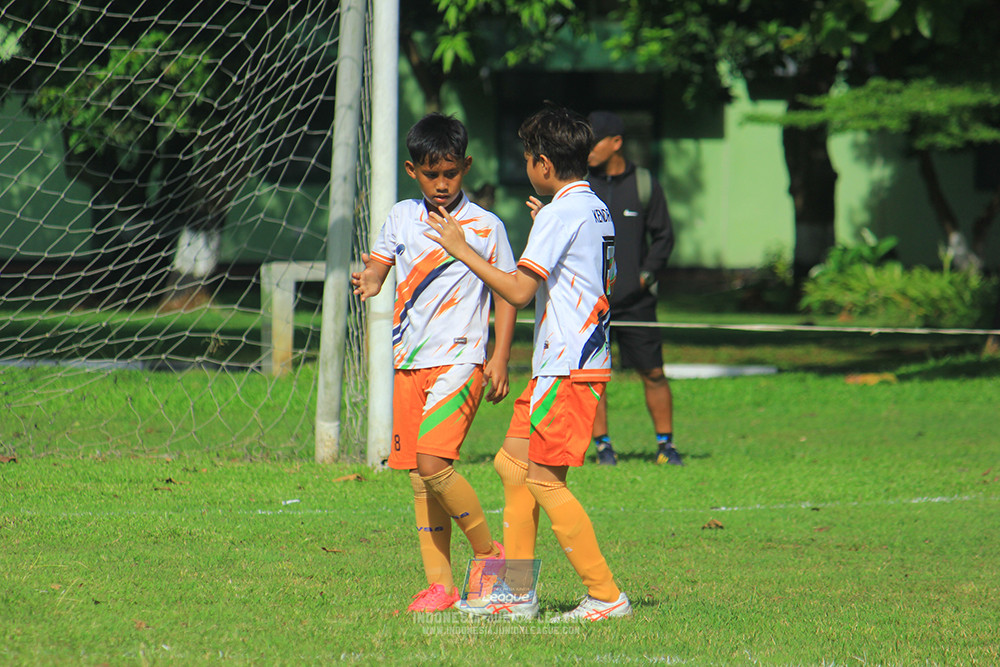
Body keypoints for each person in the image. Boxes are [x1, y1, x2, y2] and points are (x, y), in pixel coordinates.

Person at [426, 104, 631, 622]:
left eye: (526, 159)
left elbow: (518, 291)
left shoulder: (562, 213)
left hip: (568, 366)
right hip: (563, 364)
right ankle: (515, 593)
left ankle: (607, 596)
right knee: (511, 465)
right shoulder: (592, 206)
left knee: (541, 478)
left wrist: (462, 249)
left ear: (542, 163)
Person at [351, 112, 516, 613]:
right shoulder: (401, 217)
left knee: (434, 463)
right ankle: (440, 585)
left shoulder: (486, 227)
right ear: (411, 170)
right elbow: (381, 259)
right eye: (430, 174)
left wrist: (500, 356)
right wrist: (373, 278)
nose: (441, 184)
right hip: (409, 362)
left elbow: (508, 293)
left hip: (462, 360)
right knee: (420, 478)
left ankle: (490, 555)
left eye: (450, 173)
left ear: (465, 166)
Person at [586, 110, 682, 467]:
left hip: (637, 302)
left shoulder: (643, 183)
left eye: (593, 141)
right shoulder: (582, 185)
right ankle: (603, 447)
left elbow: (664, 237)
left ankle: (666, 445)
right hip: (592, 302)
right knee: (594, 377)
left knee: (654, 372)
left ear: (616, 143)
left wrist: (644, 276)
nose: (588, 149)